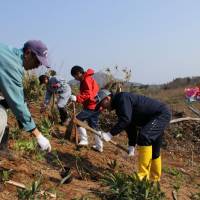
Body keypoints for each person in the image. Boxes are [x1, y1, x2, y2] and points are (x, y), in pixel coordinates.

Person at [96, 89, 171, 181]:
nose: (102, 107)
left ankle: (143, 176)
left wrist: (110, 134)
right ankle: (155, 180)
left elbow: (125, 120)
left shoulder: (122, 99)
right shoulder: (120, 106)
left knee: (144, 137)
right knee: (154, 149)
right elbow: (129, 124)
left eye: (101, 104)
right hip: (156, 117)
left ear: (107, 98)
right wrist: (132, 145)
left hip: (160, 114)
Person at [0, 40, 51, 155]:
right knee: (1, 115)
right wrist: (38, 135)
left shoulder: (9, 51)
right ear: (28, 53)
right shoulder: (12, 65)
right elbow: (18, 104)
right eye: (37, 61)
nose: (37, 66)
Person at [70, 66, 103, 152]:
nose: (75, 78)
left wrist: (77, 98)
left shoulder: (86, 79)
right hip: (96, 105)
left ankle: (84, 140)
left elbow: (88, 93)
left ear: (78, 73)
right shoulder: (87, 78)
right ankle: (99, 146)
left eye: (74, 76)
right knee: (94, 125)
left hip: (91, 106)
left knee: (77, 119)